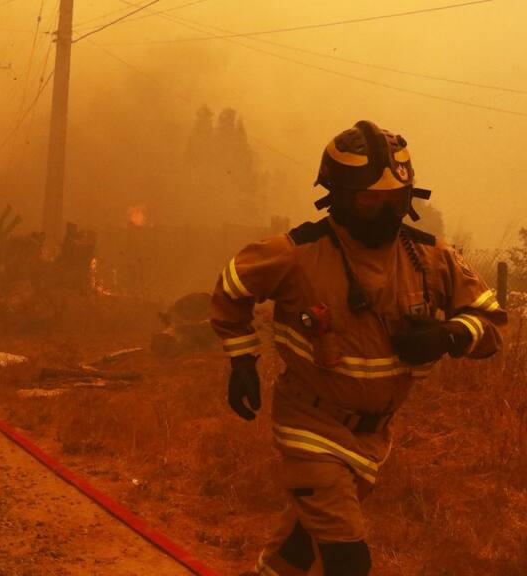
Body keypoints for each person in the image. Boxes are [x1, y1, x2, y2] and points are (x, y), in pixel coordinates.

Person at [210, 121, 506, 576]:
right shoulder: (296, 254)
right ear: (339, 197)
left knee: (299, 550)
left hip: (372, 437)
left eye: (394, 200)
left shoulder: (431, 258)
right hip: (309, 424)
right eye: (371, 199)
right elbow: (233, 285)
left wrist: (450, 334)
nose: (385, 212)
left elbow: (491, 320)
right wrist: (241, 359)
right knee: (347, 558)